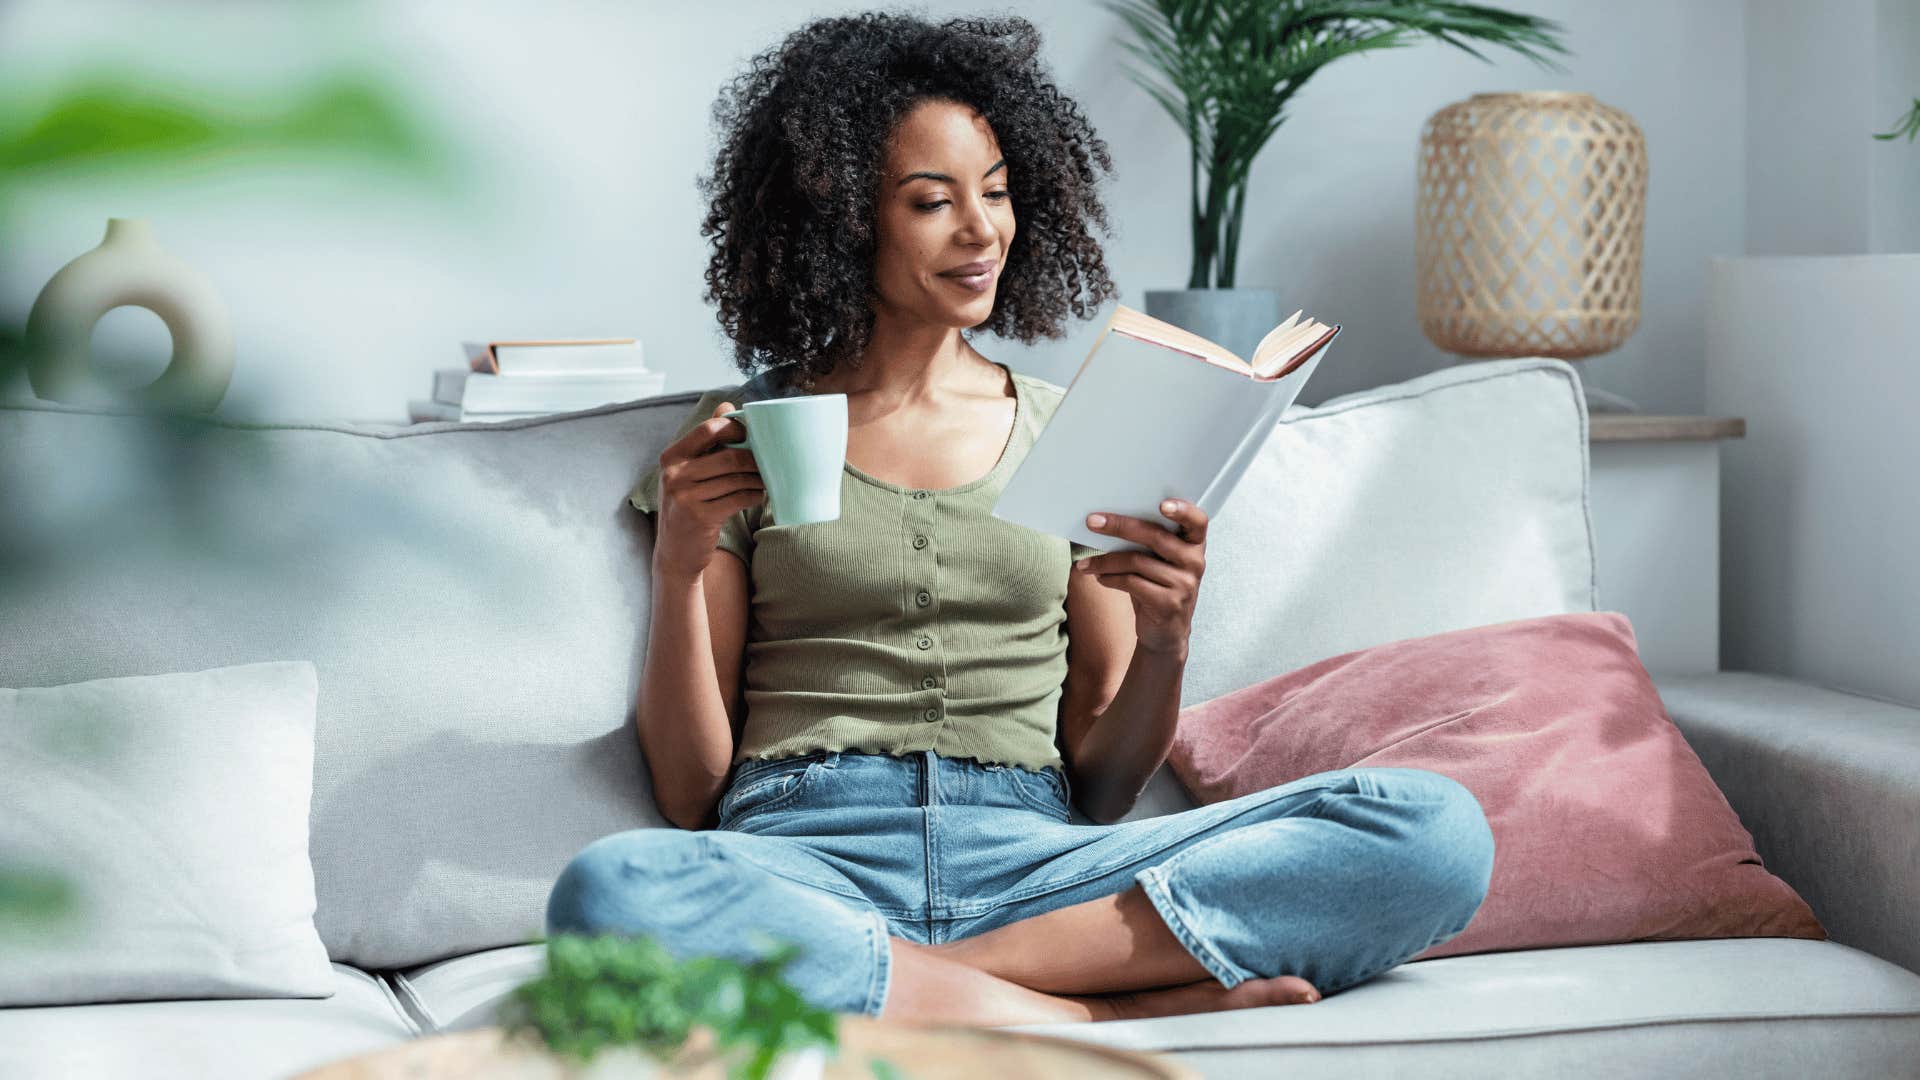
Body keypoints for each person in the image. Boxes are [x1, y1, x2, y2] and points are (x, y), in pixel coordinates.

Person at [548, 11, 1494, 1026]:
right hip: (806, 857)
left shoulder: (1076, 434)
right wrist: (682, 565)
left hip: (1039, 860)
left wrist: (1169, 641)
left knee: (1434, 831)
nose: (982, 230)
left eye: (996, 193)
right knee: (612, 893)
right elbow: (692, 796)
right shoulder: (743, 436)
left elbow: (1104, 786)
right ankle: (1084, 1013)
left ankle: (936, 986)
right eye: (931, 202)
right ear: (841, 220)